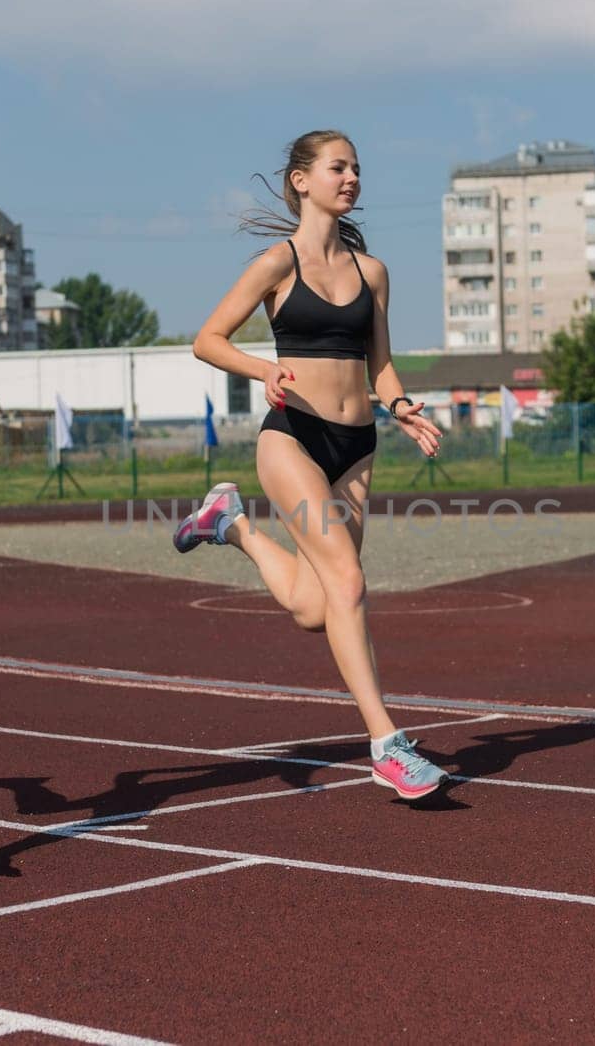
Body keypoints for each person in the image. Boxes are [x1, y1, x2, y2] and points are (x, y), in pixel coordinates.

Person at [175, 130, 450, 800]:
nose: (351, 177)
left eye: (356, 167)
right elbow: (207, 340)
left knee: (312, 605)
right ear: (302, 180)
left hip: (357, 446)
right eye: (338, 167)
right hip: (291, 437)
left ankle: (232, 523)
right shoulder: (277, 262)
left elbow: (378, 361)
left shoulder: (372, 271)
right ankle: (386, 742)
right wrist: (260, 367)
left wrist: (402, 405)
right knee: (349, 583)